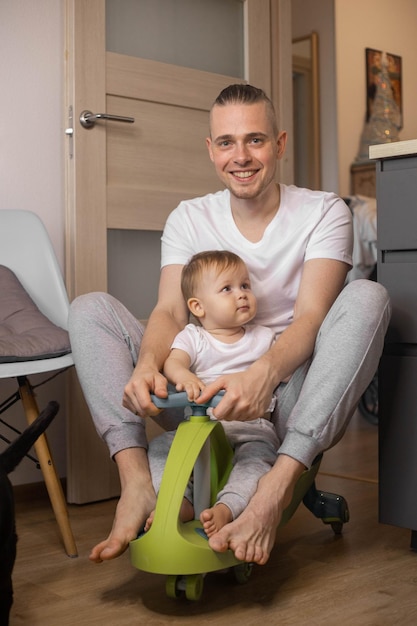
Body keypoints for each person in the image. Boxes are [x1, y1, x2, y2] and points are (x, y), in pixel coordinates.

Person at [68, 83, 391, 566]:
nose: (241, 156)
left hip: (283, 398)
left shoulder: (324, 211)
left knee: (370, 295)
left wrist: (262, 375)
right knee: (88, 308)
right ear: (211, 149)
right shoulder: (188, 217)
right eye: (226, 142)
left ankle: (273, 490)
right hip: (194, 390)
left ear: (279, 144)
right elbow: (170, 313)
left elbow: (310, 318)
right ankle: (136, 483)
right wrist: (148, 365)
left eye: (255, 140)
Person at [144, 250, 279, 536]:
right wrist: (185, 377)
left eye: (245, 286)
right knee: (158, 448)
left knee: (258, 461)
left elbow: (284, 374)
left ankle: (229, 507)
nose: (241, 294)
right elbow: (173, 362)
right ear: (198, 306)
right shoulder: (193, 337)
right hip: (200, 427)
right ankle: (181, 501)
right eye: (227, 289)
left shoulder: (264, 338)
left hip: (251, 428)